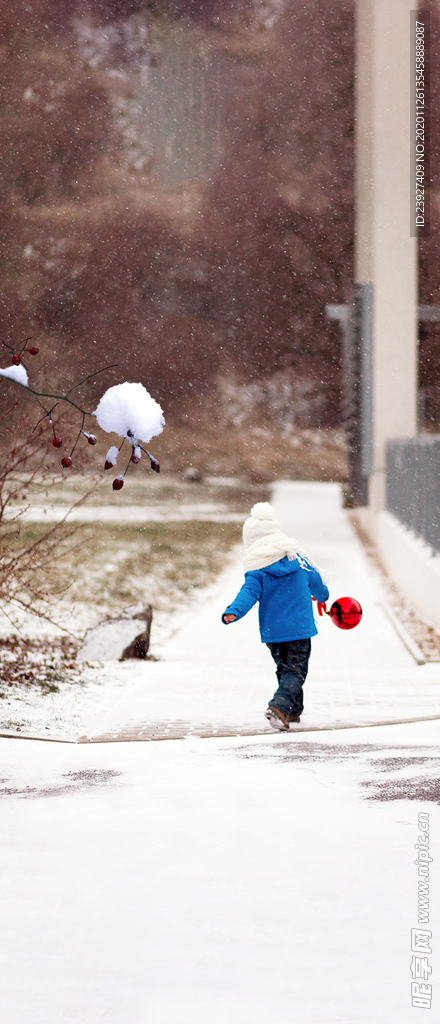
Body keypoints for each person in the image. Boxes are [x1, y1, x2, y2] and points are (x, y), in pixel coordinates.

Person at [221, 502, 329, 731]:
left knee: (285, 669)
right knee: (295, 671)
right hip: (300, 629)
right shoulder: (299, 560)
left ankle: (292, 711)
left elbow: (248, 593)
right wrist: (322, 595)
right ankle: (278, 706)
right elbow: (320, 587)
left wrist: (233, 611)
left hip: (274, 631)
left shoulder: (257, 568)